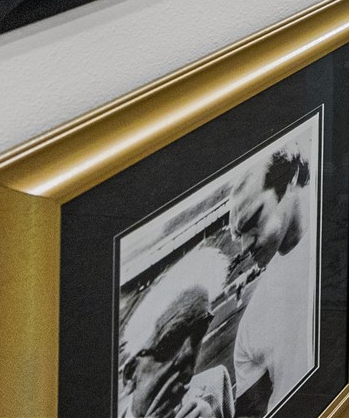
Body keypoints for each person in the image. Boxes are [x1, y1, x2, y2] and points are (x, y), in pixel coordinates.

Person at [227, 146, 317, 417]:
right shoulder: (250, 328)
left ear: (290, 182)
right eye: (239, 234)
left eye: (254, 220)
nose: (244, 247)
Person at [118, 248, 236, 418]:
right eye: (171, 340)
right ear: (130, 374)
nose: (188, 352)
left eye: (200, 331)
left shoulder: (216, 385)